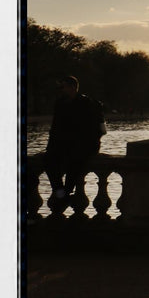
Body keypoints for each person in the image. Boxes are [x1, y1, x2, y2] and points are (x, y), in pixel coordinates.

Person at [44, 76, 105, 209]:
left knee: (74, 163)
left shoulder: (87, 103)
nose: (61, 90)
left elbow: (94, 130)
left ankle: (63, 194)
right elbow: (55, 129)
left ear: (72, 87)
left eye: (63, 87)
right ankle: (63, 194)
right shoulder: (61, 103)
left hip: (81, 146)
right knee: (49, 161)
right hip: (69, 145)